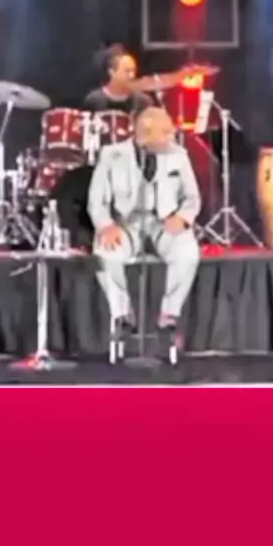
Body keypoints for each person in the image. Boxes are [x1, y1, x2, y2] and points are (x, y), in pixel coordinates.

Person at [87, 106, 201, 359]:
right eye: (166, 131)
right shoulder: (112, 154)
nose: (172, 134)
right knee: (105, 252)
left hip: (163, 223)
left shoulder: (178, 155)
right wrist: (106, 226)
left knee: (187, 252)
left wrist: (183, 217)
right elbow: (97, 200)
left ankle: (168, 316)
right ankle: (122, 314)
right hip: (125, 223)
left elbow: (192, 198)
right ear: (146, 133)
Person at [83, 43, 152, 115]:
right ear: (112, 72)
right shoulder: (94, 100)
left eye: (133, 70)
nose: (132, 75)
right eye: (127, 71)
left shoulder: (142, 101)